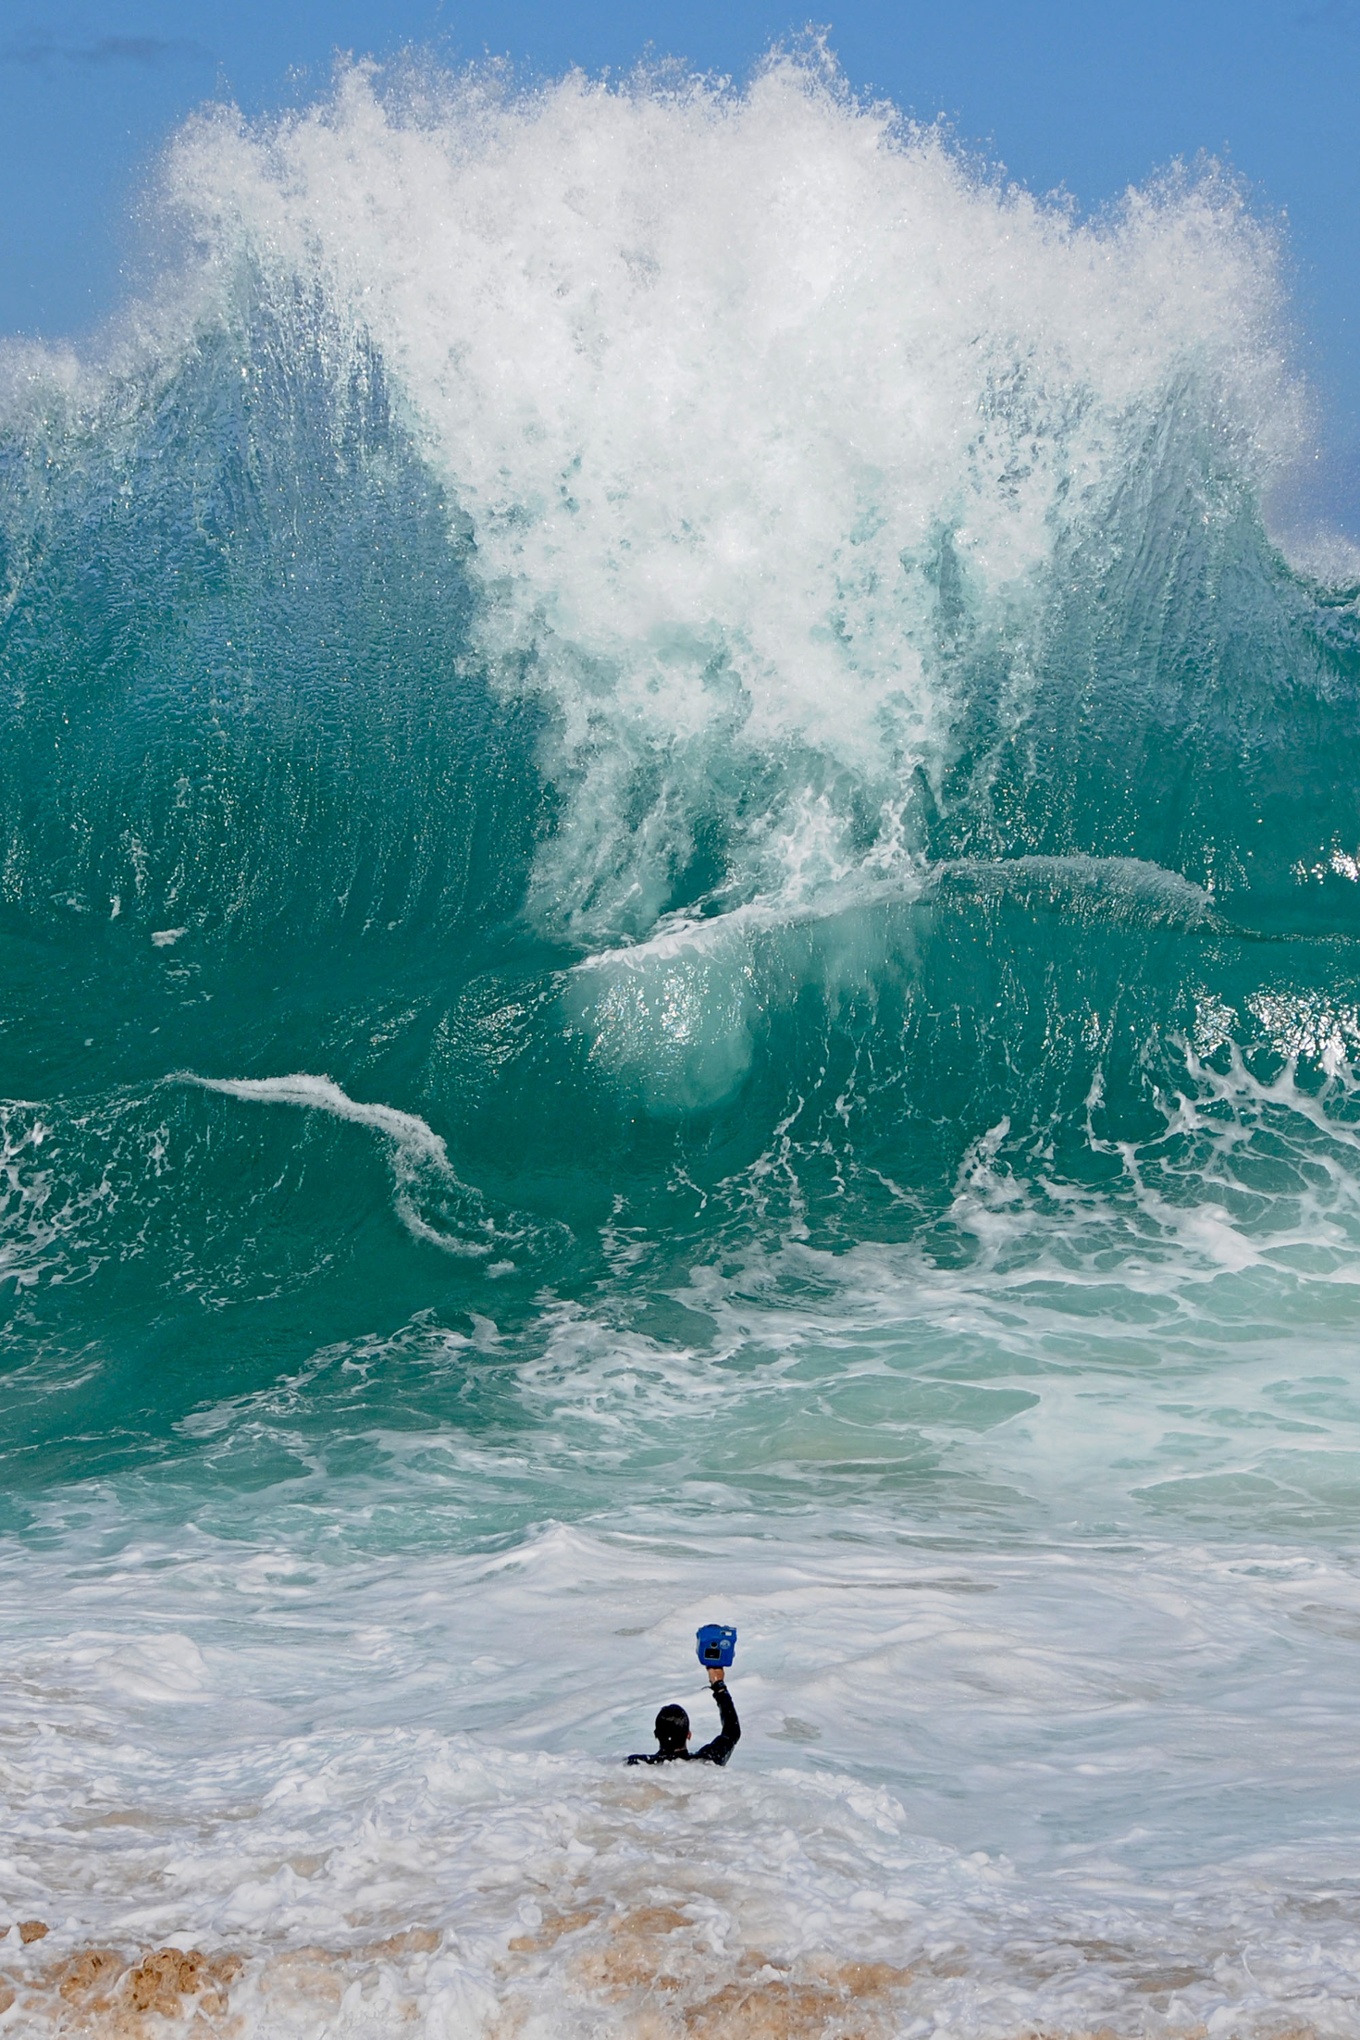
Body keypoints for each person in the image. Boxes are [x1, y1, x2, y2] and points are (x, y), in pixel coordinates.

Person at [626, 1663, 741, 1766]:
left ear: (656, 1735)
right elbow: (731, 1733)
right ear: (689, 1735)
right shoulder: (706, 1762)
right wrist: (719, 1686)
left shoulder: (637, 1765)